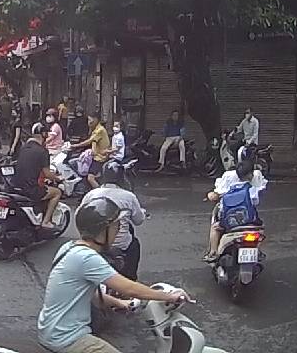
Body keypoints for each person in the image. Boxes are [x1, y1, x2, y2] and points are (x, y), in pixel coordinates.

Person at [37, 198, 191, 353]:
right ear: (103, 230)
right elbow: (129, 288)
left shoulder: (69, 247)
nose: (118, 231)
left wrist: (120, 303)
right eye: (116, 226)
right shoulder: (86, 258)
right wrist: (169, 296)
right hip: (66, 338)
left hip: (50, 330)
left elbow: (90, 295)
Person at [80, 165, 146, 280]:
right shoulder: (128, 196)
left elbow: (80, 217)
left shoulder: (91, 194)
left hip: (95, 243)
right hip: (121, 245)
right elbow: (138, 220)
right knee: (134, 244)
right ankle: (131, 278)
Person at [203, 158, 267, 262]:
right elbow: (259, 196)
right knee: (260, 228)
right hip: (249, 220)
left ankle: (213, 252)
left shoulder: (228, 177)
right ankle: (258, 250)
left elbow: (216, 194)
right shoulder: (257, 178)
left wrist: (210, 195)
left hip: (229, 222)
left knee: (215, 227)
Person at [13, 123, 63, 230]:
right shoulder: (42, 151)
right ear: (43, 135)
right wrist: (58, 178)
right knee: (57, 192)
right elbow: (47, 174)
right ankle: (46, 221)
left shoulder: (23, 148)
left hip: (16, 186)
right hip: (31, 189)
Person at [74, 113, 112, 189]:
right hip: (95, 155)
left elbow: (89, 141)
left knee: (90, 178)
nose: (89, 122)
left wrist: (74, 146)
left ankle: (99, 192)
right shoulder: (95, 130)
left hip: (99, 158)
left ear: (95, 120)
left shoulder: (100, 130)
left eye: (90, 120)